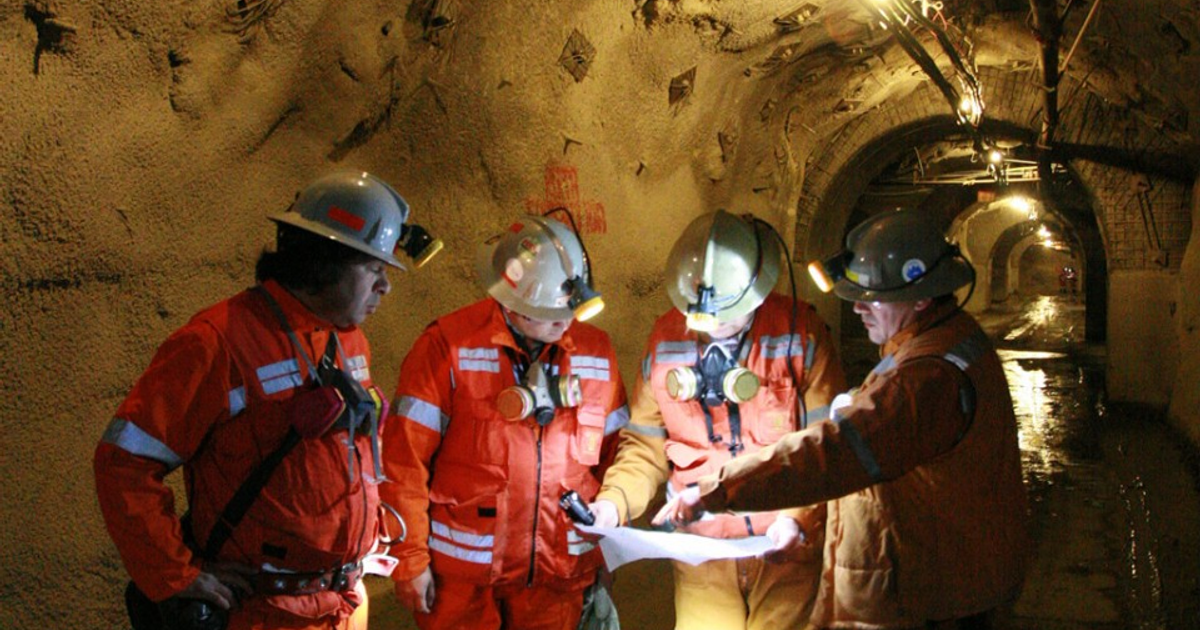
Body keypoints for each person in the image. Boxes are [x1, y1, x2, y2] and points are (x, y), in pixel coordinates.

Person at [94, 170, 439, 630]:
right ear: (324, 262)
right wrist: (174, 576)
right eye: (374, 270)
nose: (385, 287)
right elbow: (125, 461)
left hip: (343, 603)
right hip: (261, 612)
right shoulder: (219, 341)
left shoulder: (348, 342)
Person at [656, 208, 1030, 630]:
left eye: (872, 298)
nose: (857, 310)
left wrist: (718, 489)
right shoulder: (937, 345)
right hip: (941, 582)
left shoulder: (929, 378)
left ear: (921, 297)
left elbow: (836, 451)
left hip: (931, 599)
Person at [585, 210, 846, 630]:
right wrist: (613, 504)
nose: (712, 326)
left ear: (757, 294)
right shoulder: (666, 339)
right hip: (701, 553)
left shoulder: (802, 334)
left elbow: (828, 449)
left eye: (727, 315)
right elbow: (645, 446)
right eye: (702, 315)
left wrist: (798, 521)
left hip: (785, 549)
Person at [381, 212, 629, 630]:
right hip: (462, 586)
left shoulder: (596, 351)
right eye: (548, 312)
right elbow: (403, 463)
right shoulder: (447, 346)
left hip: (557, 582)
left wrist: (610, 545)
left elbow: (617, 455)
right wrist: (408, 559)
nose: (564, 321)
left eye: (568, 310)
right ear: (511, 300)